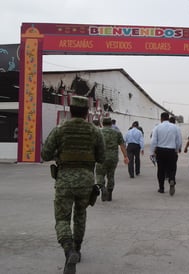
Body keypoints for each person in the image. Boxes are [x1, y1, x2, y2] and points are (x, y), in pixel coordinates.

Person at [41, 96, 105, 274]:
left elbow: (45, 154)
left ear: (70, 111)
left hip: (64, 181)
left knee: (62, 218)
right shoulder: (95, 131)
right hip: (85, 181)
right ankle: (77, 248)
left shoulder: (60, 130)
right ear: (86, 113)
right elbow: (101, 158)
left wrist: (58, 153)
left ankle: (68, 249)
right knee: (80, 214)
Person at [96, 117, 129, 202]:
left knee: (100, 174)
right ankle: (109, 192)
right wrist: (125, 156)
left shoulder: (98, 132)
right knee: (111, 175)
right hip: (113, 157)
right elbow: (122, 145)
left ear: (102, 124)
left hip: (101, 157)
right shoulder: (117, 133)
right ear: (111, 124)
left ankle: (102, 188)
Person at [150, 112, 182, 196]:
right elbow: (179, 140)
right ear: (168, 118)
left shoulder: (157, 128)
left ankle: (161, 188)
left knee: (161, 169)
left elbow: (153, 141)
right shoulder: (175, 128)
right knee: (172, 168)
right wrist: (177, 149)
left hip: (160, 151)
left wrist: (152, 152)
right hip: (171, 151)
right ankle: (172, 180)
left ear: (161, 119)